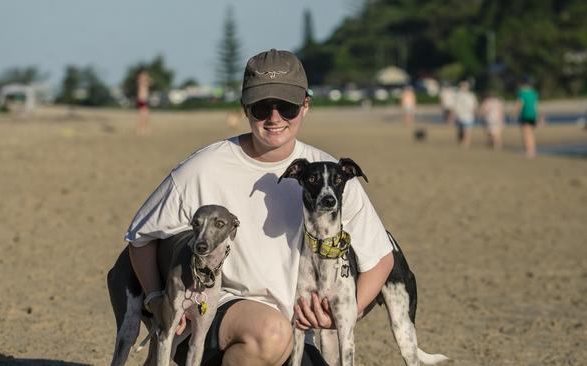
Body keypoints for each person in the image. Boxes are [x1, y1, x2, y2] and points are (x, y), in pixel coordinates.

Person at [124, 49, 394, 366]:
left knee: (280, 335)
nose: (275, 117)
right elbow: (140, 238)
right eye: (262, 107)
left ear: (306, 105)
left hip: (295, 331)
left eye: (288, 107)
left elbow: (381, 258)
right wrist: (157, 299)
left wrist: (344, 313)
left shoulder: (329, 176)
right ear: (246, 108)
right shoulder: (203, 168)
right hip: (216, 312)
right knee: (271, 332)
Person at [513, 77, 540, 158]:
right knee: (531, 133)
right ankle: (533, 150)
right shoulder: (534, 93)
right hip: (533, 115)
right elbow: (535, 106)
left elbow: (520, 104)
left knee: (526, 133)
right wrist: (537, 116)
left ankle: (528, 150)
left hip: (525, 115)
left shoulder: (522, 93)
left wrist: (514, 112)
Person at [453, 81, 478, 148]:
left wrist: (476, 113)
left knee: (467, 130)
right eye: (462, 86)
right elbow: (454, 106)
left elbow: (475, 105)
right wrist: (454, 115)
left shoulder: (471, 95)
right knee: (460, 131)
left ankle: (466, 143)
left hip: (469, 116)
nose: (463, 88)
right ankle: (461, 141)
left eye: (465, 86)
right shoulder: (457, 95)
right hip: (459, 116)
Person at [136, 69, 152, 135]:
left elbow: (151, 83)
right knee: (143, 115)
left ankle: (143, 129)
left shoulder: (142, 81)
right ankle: (141, 129)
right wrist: (147, 78)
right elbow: (150, 82)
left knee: (145, 115)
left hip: (143, 99)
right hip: (142, 99)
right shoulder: (142, 81)